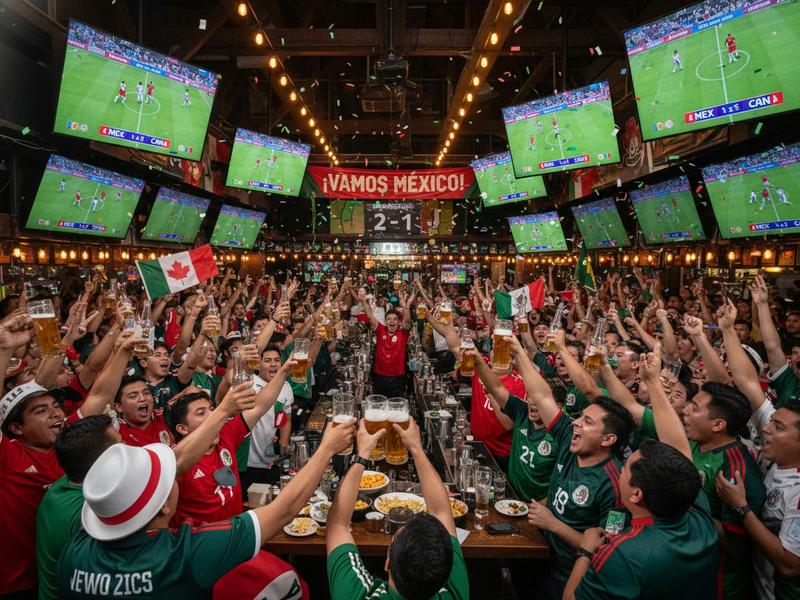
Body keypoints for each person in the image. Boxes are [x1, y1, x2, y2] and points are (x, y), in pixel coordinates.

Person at [57, 407, 357, 599]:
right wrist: (326, 449)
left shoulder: (74, 553)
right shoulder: (186, 555)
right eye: (169, 479)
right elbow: (285, 509)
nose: (177, 475)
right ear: (164, 506)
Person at [564, 348, 719, 599]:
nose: (620, 469)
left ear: (636, 494)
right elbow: (679, 447)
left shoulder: (622, 552)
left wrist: (585, 551)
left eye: (625, 468)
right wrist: (653, 383)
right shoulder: (699, 519)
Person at [509, 333, 633, 599]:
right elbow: (542, 396)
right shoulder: (569, 438)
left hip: (569, 579)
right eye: (581, 417)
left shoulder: (615, 484)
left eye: (588, 422)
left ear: (608, 439)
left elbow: (606, 549)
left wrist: (553, 524)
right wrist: (518, 352)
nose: (576, 422)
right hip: (539, 554)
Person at [326, 417, 468, 600]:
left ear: (387, 563)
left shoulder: (356, 596)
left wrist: (362, 455)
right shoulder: (456, 594)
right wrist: (416, 448)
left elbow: (337, 523)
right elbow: (441, 511)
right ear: (449, 569)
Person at [167, 356, 296, 525]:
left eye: (211, 409)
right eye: (201, 413)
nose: (211, 415)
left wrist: (284, 371)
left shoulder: (225, 434)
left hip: (237, 532)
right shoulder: (174, 460)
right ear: (182, 429)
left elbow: (258, 407)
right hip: (201, 540)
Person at [35, 415, 121, 600]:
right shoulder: (91, 512)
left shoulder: (67, 481)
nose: (129, 450)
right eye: (121, 448)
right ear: (103, 463)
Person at [0, 379, 67, 598]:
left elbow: (99, 396)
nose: (56, 414)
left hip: (66, 575)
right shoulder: (7, 455)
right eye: (41, 411)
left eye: (56, 406)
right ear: (17, 428)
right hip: (20, 583)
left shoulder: (71, 448)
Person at [472, 347, 558, 502]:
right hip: (510, 492)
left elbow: (562, 481)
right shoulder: (523, 411)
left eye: (540, 400)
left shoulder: (561, 435)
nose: (533, 402)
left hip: (534, 504)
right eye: (530, 396)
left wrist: (544, 505)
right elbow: (496, 387)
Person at [243, 345, 293, 490]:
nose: (273, 364)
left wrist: (283, 444)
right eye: (267, 360)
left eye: (277, 360)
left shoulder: (286, 386)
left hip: (269, 458)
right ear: (258, 364)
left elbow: (285, 418)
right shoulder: (249, 382)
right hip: (246, 460)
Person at [358, 287, 412, 397]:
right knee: (380, 403)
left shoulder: (403, 333)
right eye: (389, 319)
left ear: (399, 322)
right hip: (379, 375)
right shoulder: (380, 330)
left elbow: (407, 321)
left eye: (395, 319)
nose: (392, 321)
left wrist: (405, 307)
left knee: (396, 404)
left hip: (397, 377)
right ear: (385, 321)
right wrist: (363, 301)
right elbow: (370, 316)